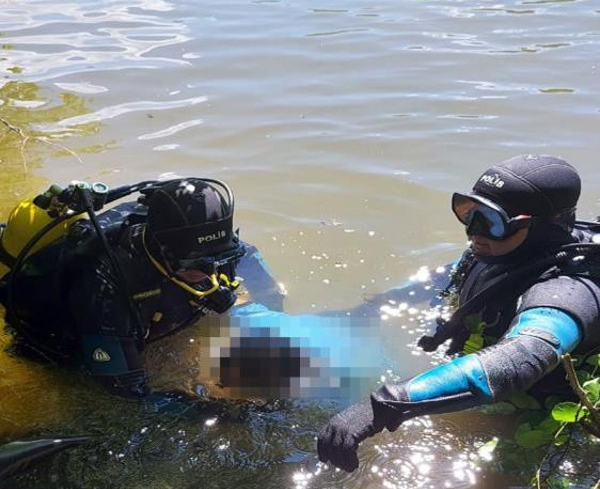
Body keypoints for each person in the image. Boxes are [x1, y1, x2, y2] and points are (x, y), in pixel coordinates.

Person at [317, 153, 600, 471]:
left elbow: (521, 359)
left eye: (491, 221)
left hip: (536, 413)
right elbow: (442, 278)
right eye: (469, 212)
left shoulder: (568, 292)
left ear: (541, 228)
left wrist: (385, 404)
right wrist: (367, 308)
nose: (474, 231)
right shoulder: (500, 248)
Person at [0, 176, 279, 398]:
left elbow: (252, 262)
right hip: (61, 339)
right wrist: (211, 409)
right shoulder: (106, 283)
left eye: (219, 259)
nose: (211, 272)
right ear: (161, 249)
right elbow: (125, 390)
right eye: (196, 263)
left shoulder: (213, 241)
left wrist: (275, 309)